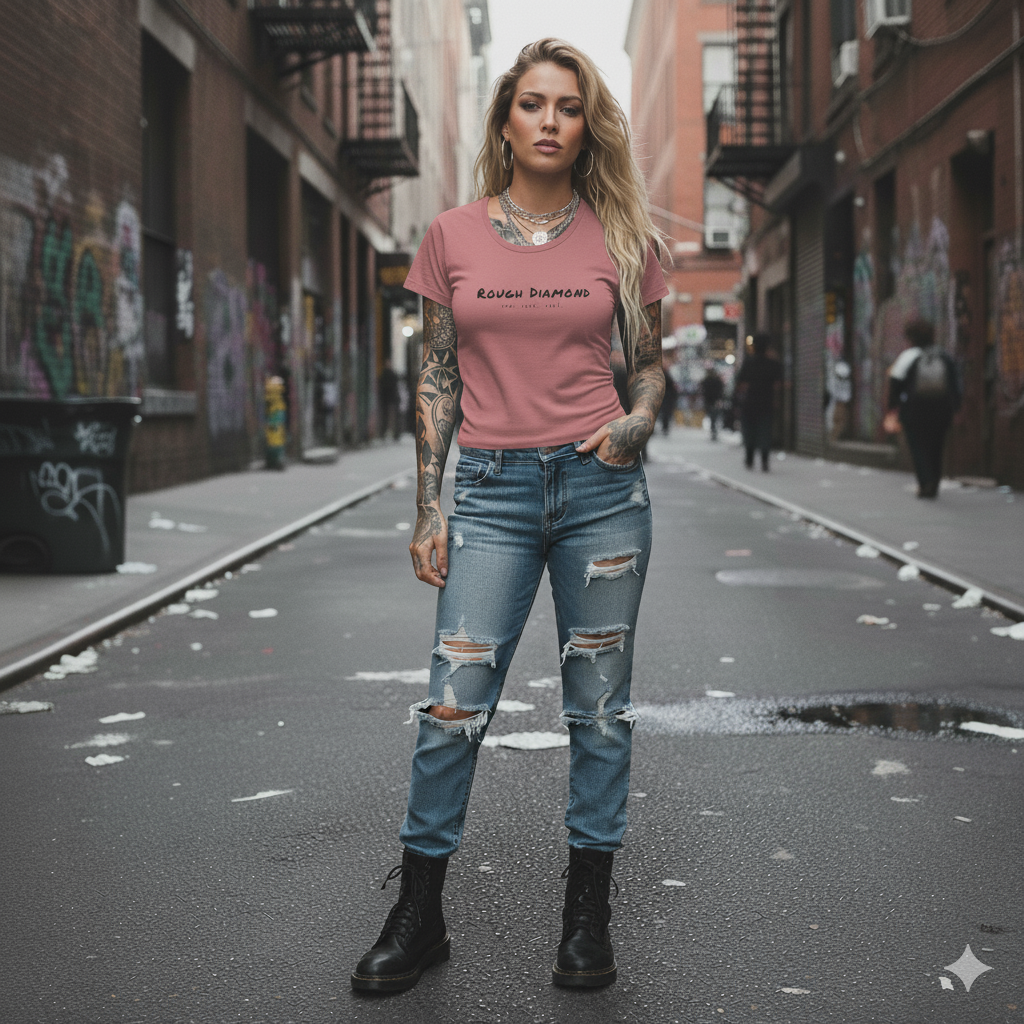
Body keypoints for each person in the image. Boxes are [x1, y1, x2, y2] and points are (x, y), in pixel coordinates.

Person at [350, 39, 668, 995]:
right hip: (489, 493)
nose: (549, 121)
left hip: (600, 492)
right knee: (451, 708)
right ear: (505, 120)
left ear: (585, 126)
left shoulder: (623, 236)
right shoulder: (451, 235)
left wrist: (638, 421)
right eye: (532, 104)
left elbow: (647, 364)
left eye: (568, 107)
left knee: (599, 713)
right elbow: (438, 375)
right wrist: (426, 508)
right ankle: (419, 912)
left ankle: (586, 918)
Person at [883, 318, 960, 498]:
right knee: (936, 447)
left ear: (911, 338)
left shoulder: (908, 356)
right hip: (942, 410)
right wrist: (955, 407)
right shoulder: (944, 356)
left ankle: (925, 482)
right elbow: (954, 385)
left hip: (914, 411)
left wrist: (892, 408)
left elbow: (895, 385)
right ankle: (935, 482)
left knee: (918, 447)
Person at [734, 333, 782, 470]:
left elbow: (740, 383)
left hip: (750, 403)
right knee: (765, 432)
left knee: (750, 432)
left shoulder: (748, 363)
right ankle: (765, 461)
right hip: (767, 402)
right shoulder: (773, 364)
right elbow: (778, 384)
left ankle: (749, 459)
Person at [377, 357, 401, 439]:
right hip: (386, 398)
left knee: (390, 416)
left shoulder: (390, 374)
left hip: (390, 398)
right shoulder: (385, 374)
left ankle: (393, 433)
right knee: (386, 416)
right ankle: (385, 433)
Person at [699, 365, 724, 440]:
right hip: (715, 400)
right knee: (715, 415)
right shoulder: (718, 381)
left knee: (711, 415)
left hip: (709, 400)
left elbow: (702, 389)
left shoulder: (706, 380)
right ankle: (714, 429)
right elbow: (721, 391)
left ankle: (713, 429)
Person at [659, 356, 679, 435]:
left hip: (667, 397)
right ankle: (664, 427)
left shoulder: (668, 373)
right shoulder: (664, 374)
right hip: (664, 397)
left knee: (665, 413)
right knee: (665, 412)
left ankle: (665, 427)